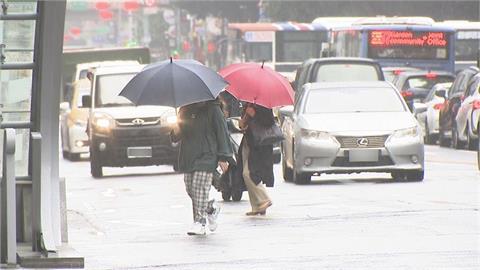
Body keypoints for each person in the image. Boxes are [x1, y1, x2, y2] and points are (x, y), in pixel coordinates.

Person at [171, 100, 233, 235]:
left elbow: (222, 132)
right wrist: (176, 128)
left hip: (207, 155)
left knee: (199, 186)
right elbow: (177, 136)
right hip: (189, 155)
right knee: (190, 189)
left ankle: (200, 222)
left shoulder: (214, 109)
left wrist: (224, 157)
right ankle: (211, 209)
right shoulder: (185, 110)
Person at [238, 103, 275, 216]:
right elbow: (243, 126)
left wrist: (254, 115)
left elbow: (269, 122)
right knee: (247, 172)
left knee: (248, 173)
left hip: (260, 145)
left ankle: (264, 199)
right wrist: (243, 122)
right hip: (248, 142)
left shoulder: (264, 105)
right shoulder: (247, 104)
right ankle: (256, 206)